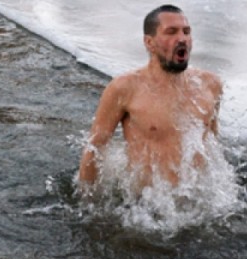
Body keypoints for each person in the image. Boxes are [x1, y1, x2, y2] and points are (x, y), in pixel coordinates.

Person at [78, 4, 223, 196]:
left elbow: (213, 145)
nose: (182, 39)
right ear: (149, 42)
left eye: (186, 32)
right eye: (171, 32)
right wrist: (88, 205)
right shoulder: (124, 88)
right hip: (144, 204)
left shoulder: (210, 85)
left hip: (195, 201)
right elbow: (94, 150)